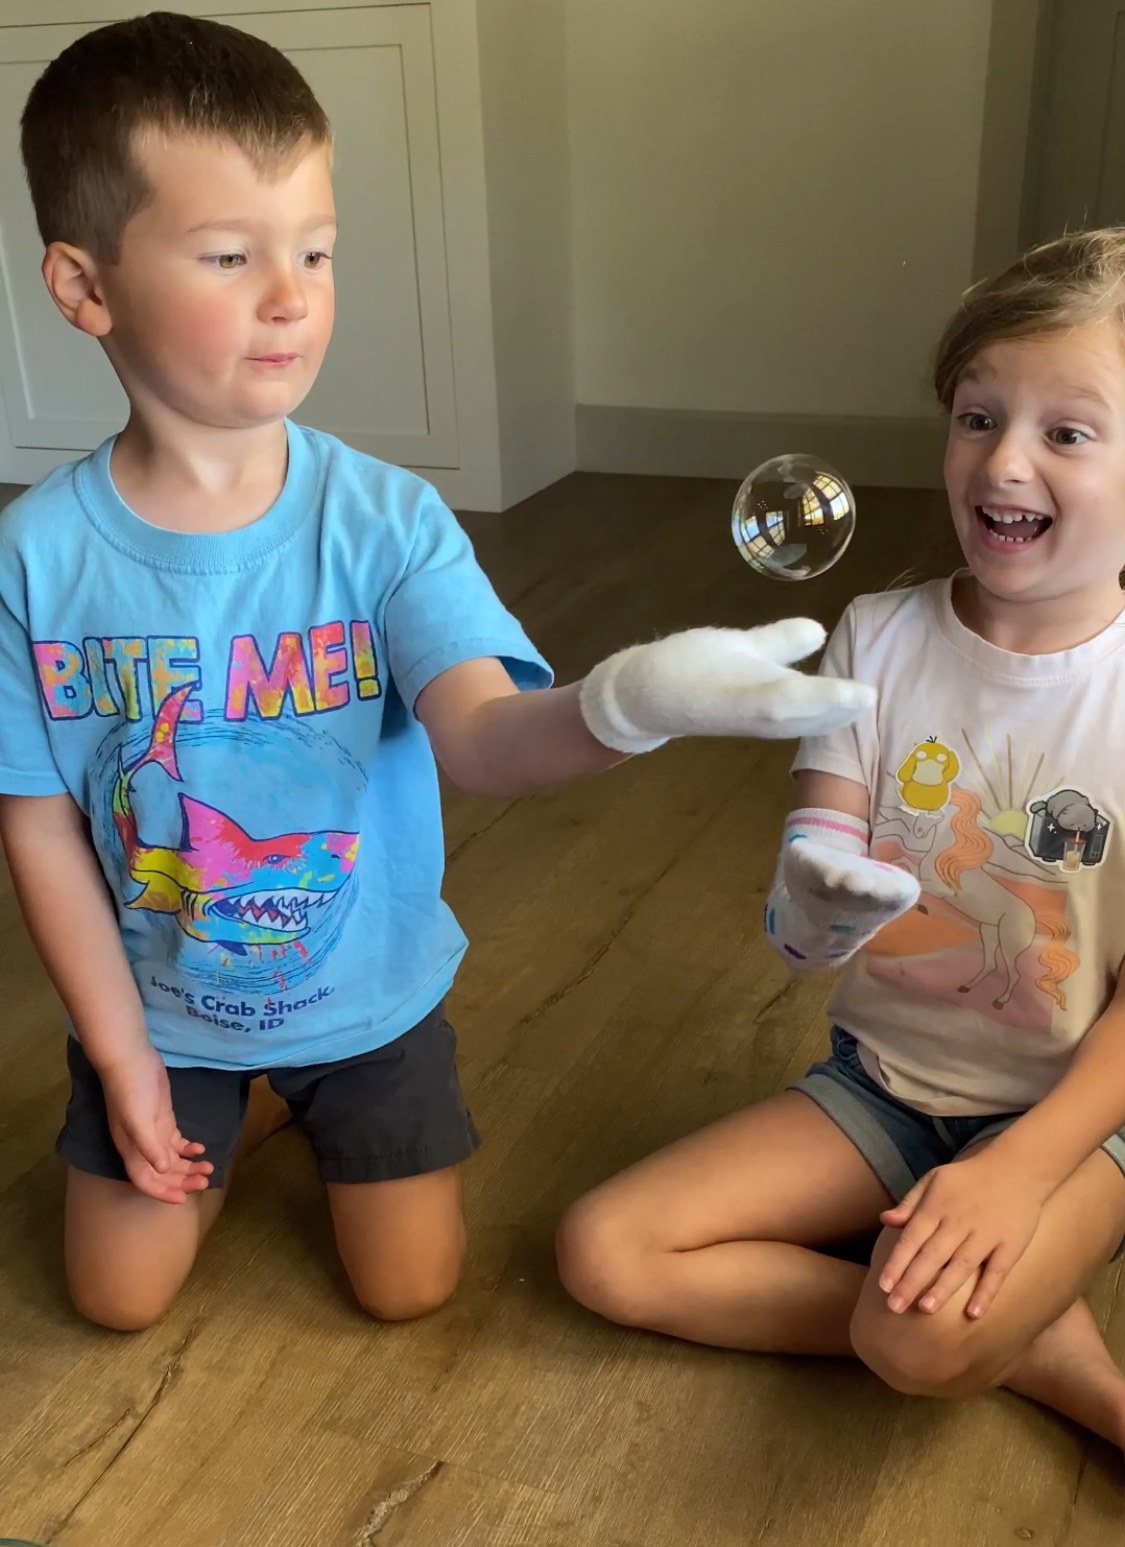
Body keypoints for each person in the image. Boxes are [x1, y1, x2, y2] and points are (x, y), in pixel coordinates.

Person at [0, 11, 869, 1334]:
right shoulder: (34, 556)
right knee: (116, 1300)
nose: (292, 295)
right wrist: (119, 1057)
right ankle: (214, 1122)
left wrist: (625, 703)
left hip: (368, 997)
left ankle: (297, 1105)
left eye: (316, 250)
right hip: (165, 1015)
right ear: (84, 287)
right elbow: (38, 823)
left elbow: (480, 738)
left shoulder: (390, 522)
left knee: (410, 1288)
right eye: (230, 255)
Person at [558, 227, 1125, 1454]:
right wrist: (814, 905)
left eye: (1067, 431)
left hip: (1081, 1113)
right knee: (605, 1247)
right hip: (886, 1089)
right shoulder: (877, 632)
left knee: (913, 1342)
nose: (1004, 459)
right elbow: (810, 898)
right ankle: (1020, 1332)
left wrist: (1021, 1173)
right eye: (979, 415)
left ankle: (1066, 1373)